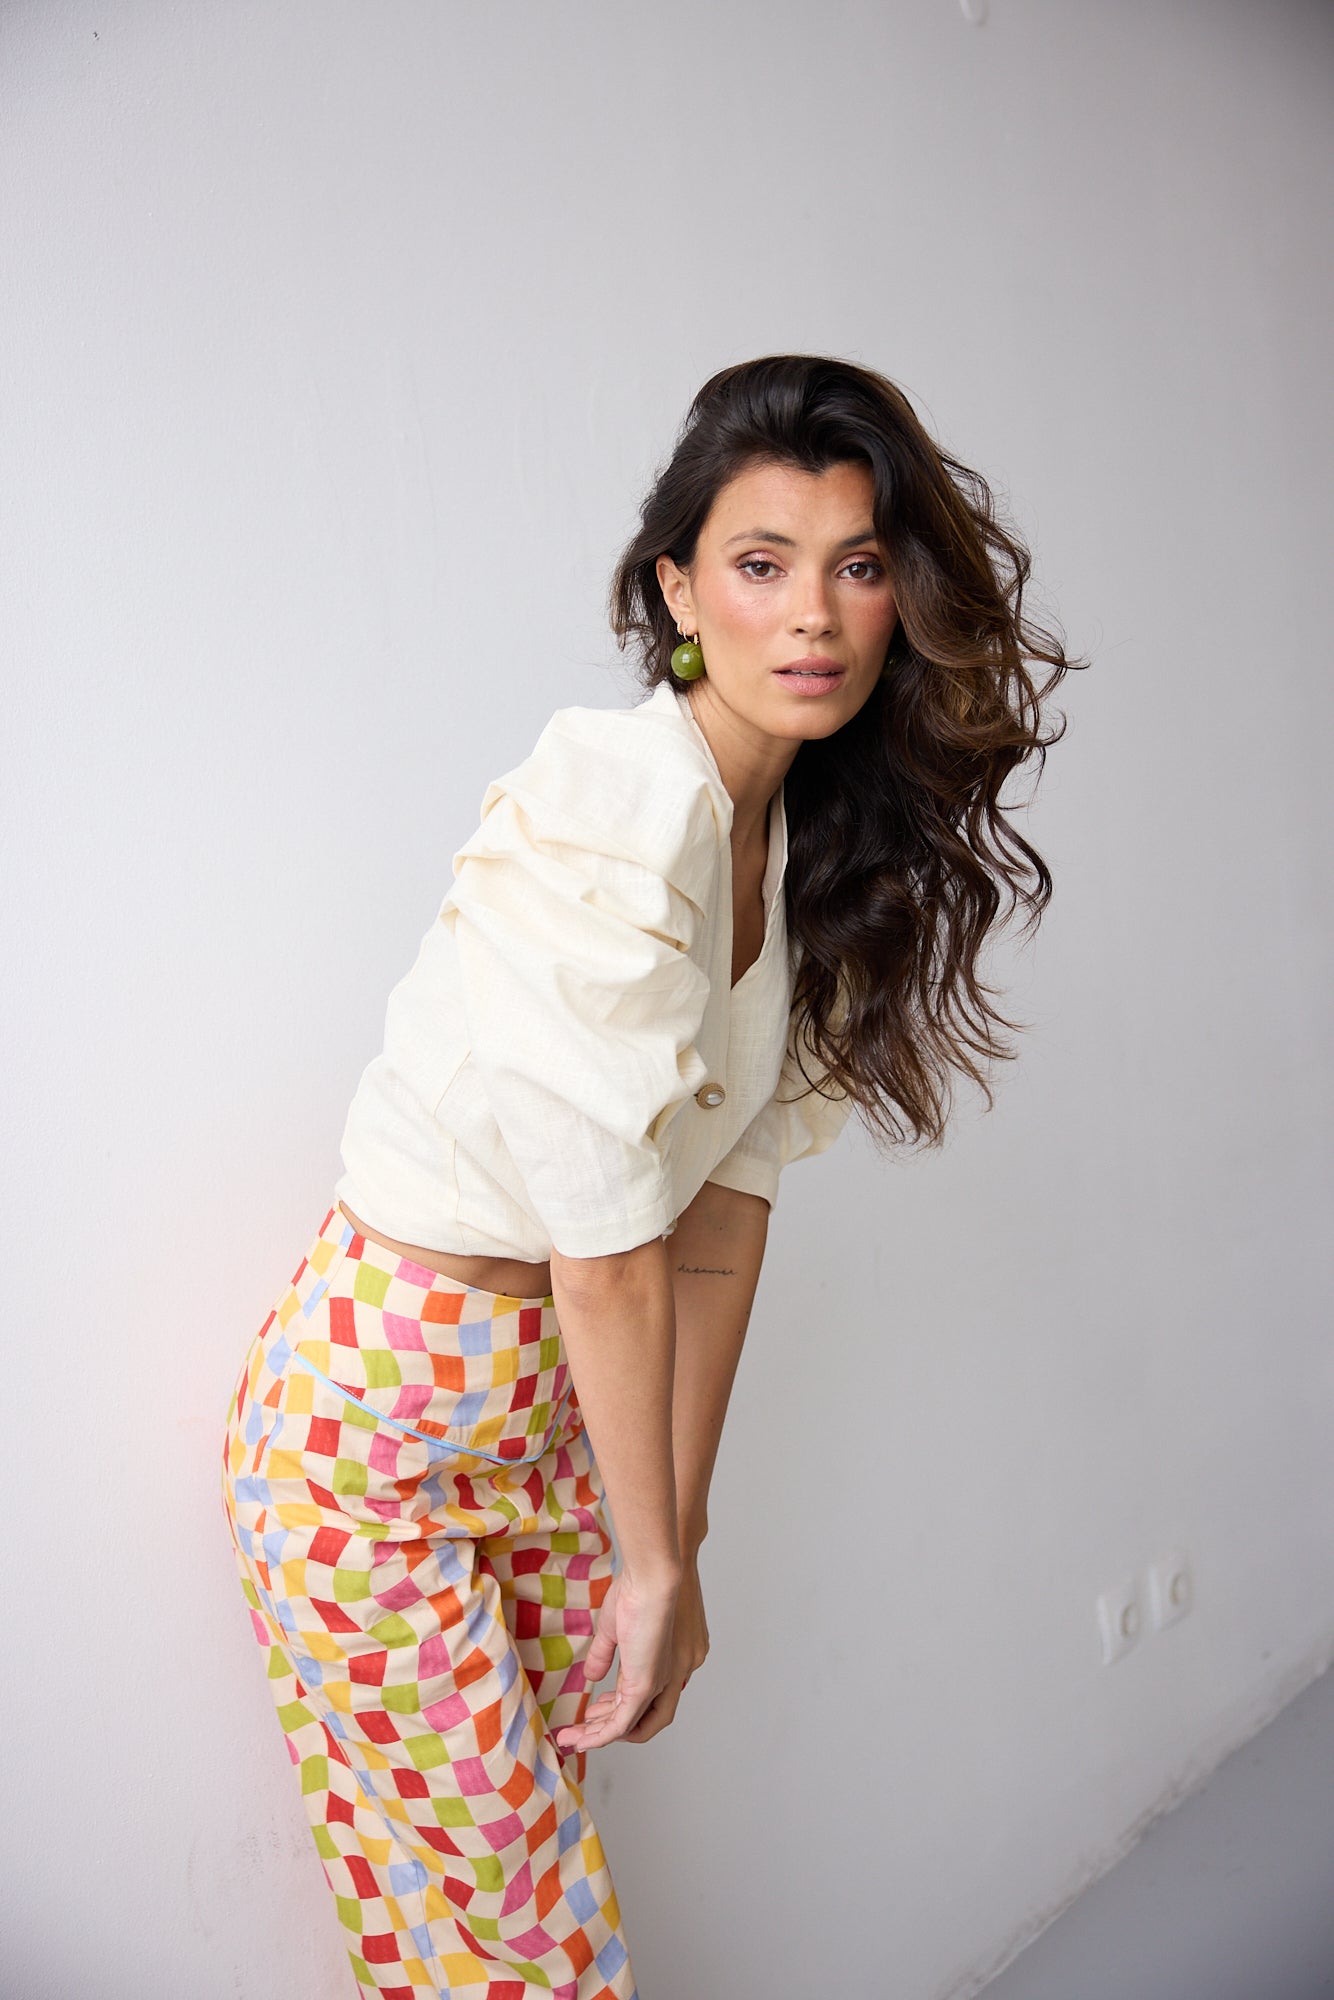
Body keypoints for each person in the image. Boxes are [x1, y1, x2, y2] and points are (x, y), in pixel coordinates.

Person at [220, 352, 1078, 2000]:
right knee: (514, 1937)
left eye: (856, 564)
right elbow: (607, 1242)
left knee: (526, 1887)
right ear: (679, 590)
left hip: (561, 1420)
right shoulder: (613, 804)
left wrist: (671, 1531)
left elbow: (719, 1224)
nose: (811, 615)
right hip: (374, 1432)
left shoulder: (804, 855)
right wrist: (654, 1567)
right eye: (760, 564)